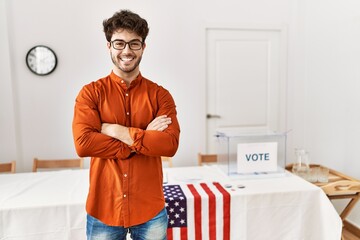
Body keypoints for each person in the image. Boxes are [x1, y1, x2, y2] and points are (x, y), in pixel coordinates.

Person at [72, 9, 180, 240]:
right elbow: (83, 144)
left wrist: (115, 130)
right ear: (108, 46)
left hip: (150, 208)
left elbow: (169, 145)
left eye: (134, 43)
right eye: (119, 43)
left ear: (143, 47)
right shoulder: (90, 93)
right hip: (104, 207)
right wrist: (143, 138)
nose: (127, 51)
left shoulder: (161, 96)